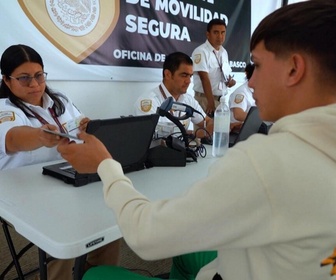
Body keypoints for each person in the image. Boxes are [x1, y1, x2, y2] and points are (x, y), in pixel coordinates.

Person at [57, 1, 336, 279]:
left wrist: (105, 164)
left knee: (96, 276)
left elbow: (146, 236)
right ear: (167, 74)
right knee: (188, 252)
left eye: (258, 66)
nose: (250, 82)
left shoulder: (264, 161)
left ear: (293, 69)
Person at [0, 44, 120, 280]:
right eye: (24, 78)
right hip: (21, 192)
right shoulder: (5, 108)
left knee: (109, 221)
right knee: (65, 235)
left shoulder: (60, 100)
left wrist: (88, 126)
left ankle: (99, 274)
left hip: (63, 180)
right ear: (7, 80)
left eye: (39, 76)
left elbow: (80, 123)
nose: (34, 84)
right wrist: (40, 136)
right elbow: (13, 138)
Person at [134, 51, 213, 139]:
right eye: (184, 75)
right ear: (168, 74)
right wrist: (186, 134)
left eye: (190, 76)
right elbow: (148, 137)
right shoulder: (149, 101)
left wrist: (202, 132)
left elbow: (208, 122)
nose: (188, 81)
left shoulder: (188, 100)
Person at [192, 18, 236, 118]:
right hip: (206, 100)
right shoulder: (201, 51)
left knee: (221, 132)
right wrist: (210, 102)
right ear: (208, 34)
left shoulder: (224, 52)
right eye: (216, 32)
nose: (220, 36)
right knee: (205, 132)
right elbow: (204, 78)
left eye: (223, 32)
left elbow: (224, 74)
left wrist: (231, 82)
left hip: (222, 100)